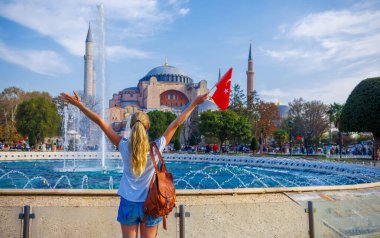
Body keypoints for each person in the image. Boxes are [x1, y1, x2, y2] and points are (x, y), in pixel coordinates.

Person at [60, 91, 208, 238]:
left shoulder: (123, 146)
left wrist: (80, 106)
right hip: (150, 204)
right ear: (148, 127)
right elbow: (176, 123)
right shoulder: (156, 148)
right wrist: (194, 103)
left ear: (131, 127)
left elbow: (100, 122)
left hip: (128, 203)